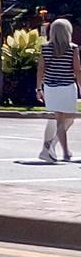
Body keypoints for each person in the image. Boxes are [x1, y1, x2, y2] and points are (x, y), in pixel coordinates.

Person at [37, 18, 81, 163]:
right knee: (65, 120)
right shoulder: (72, 48)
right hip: (67, 87)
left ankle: (52, 148)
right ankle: (57, 149)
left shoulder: (45, 48)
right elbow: (77, 70)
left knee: (60, 119)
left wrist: (38, 87)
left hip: (50, 87)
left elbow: (41, 69)